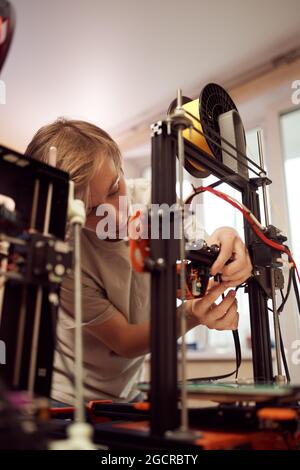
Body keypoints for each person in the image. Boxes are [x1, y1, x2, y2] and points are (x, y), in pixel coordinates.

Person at [25, 119, 252, 405]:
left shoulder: (152, 198)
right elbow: (125, 341)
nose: (116, 215)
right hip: (67, 399)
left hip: (127, 391)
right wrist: (192, 314)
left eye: (113, 189)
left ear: (120, 168)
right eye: (91, 210)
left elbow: (205, 248)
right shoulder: (65, 257)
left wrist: (227, 240)